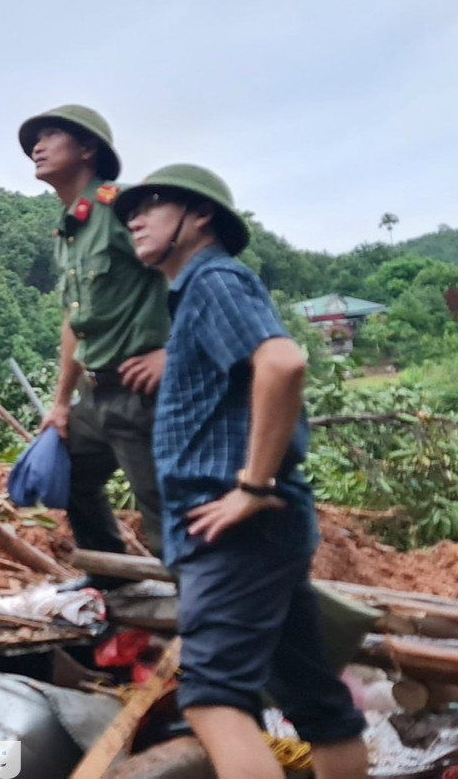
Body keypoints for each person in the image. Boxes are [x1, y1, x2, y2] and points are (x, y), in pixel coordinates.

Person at [112, 164, 367, 779]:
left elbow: (282, 363)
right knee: (316, 702)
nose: (135, 218)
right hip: (244, 528)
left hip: (235, 528)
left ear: (200, 217)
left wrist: (252, 487)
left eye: (152, 204)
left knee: (213, 699)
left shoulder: (214, 279)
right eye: (130, 212)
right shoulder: (197, 293)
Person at [18, 105, 168, 569]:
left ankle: (194, 622)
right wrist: (61, 402)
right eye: (33, 141)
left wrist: (173, 353)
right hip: (97, 395)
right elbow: (74, 321)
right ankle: (113, 583)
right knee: (71, 476)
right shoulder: (69, 230)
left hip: (144, 394)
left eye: (51, 135)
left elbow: (187, 270)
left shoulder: (121, 208)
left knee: (165, 517)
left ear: (87, 148)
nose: (36, 148)